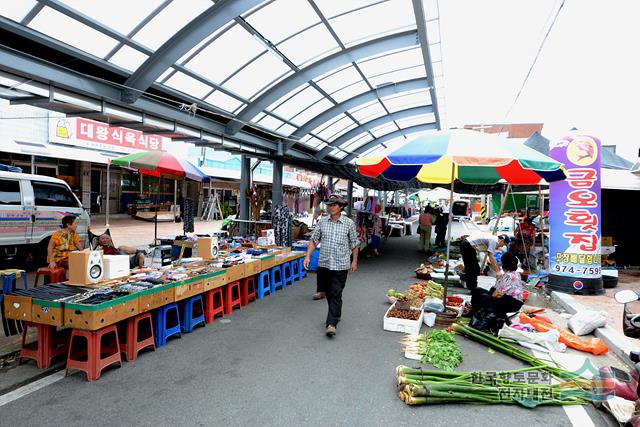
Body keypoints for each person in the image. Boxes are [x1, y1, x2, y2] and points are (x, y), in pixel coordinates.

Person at [304, 194, 359, 337]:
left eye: (334, 205)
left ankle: (332, 323)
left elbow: (354, 244)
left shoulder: (348, 223)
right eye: (329, 205)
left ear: (340, 207)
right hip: (324, 264)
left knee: (336, 293)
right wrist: (308, 256)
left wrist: (354, 261)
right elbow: (314, 240)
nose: (331, 207)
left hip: (341, 265)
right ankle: (332, 316)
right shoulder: (322, 222)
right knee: (328, 292)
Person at [469, 252, 524, 330]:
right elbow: (495, 290)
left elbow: (498, 294)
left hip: (511, 303)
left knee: (484, 298)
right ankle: (474, 313)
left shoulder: (510, 275)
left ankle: (479, 317)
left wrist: (489, 295)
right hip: (505, 298)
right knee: (477, 291)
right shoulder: (509, 273)